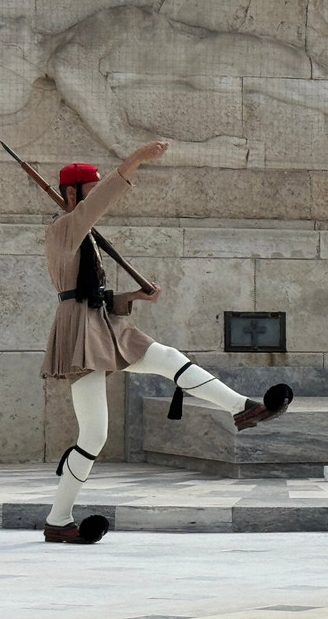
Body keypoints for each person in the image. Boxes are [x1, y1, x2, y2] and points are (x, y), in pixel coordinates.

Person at [40, 139, 290, 544]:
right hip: (80, 333)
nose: (97, 194)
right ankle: (59, 518)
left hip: (103, 323)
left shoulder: (79, 232)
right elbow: (95, 217)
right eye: (90, 188)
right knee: (94, 436)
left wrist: (133, 298)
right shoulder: (64, 229)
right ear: (72, 194)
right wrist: (136, 159)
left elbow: (93, 293)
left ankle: (243, 408)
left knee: (168, 357)